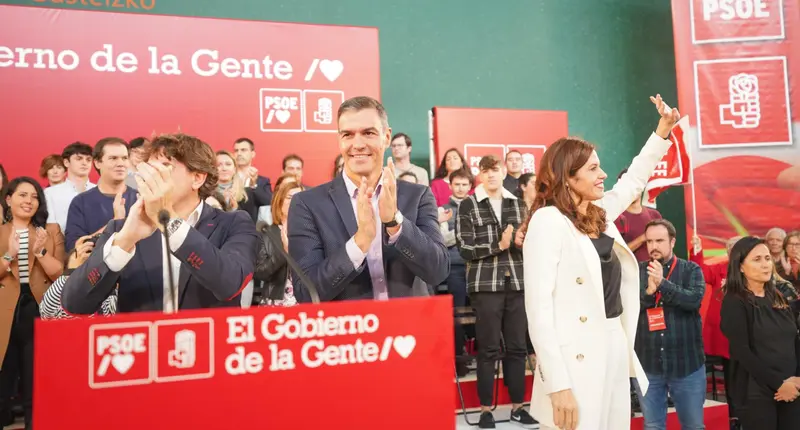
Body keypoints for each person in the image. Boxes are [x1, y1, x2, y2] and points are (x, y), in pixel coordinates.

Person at [523, 94, 679, 430]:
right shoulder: (547, 221)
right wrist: (557, 383)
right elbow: (538, 311)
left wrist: (662, 131)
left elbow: (634, 179)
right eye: (593, 168)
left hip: (614, 342)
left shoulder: (600, 215)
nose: (603, 174)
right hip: (573, 355)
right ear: (568, 177)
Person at [61, 133, 260, 314]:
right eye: (148, 169)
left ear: (197, 178)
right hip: (143, 348)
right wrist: (125, 241)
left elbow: (230, 284)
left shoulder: (233, 223)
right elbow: (75, 303)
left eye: (164, 167)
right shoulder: (122, 230)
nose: (151, 176)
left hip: (207, 346)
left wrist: (169, 221)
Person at [288, 96, 449, 301]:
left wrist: (395, 223)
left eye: (368, 133)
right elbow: (306, 293)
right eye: (347, 134)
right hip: (350, 330)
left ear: (386, 136)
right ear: (339, 140)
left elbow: (438, 271)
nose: (358, 144)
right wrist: (360, 241)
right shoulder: (307, 204)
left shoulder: (418, 196)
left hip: (410, 329)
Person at [456, 155, 535, 428]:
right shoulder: (468, 204)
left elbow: (527, 241)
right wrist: (498, 244)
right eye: (486, 171)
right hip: (484, 286)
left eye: (495, 170)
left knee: (516, 348)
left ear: (504, 173)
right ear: (479, 174)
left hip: (517, 283)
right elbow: (464, 248)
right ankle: (485, 411)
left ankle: (517, 407)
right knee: (487, 350)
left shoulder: (517, 203)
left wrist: (523, 242)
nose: (491, 175)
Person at [0, 177, 65, 429]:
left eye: (34, 196)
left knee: (36, 378)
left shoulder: (50, 231)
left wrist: (40, 252)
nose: (29, 201)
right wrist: (9, 255)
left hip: (38, 309)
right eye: (23, 195)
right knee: (4, 379)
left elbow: (59, 273)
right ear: (8, 199)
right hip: (5, 313)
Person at [720, 236, 800, 430]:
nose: (765, 265)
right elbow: (742, 351)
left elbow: (794, 339)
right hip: (757, 392)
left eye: (767, 258)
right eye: (757, 259)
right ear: (740, 266)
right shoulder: (734, 301)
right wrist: (779, 384)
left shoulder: (778, 295)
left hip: (792, 388)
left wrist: (797, 379)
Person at [635, 219, 706, 430]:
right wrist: (649, 292)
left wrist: (663, 284)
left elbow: (693, 301)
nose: (653, 246)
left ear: (672, 241)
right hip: (648, 365)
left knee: (693, 426)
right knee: (653, 426)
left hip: (687, 364)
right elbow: (626, 308)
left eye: (659, 240)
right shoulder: (636, 271)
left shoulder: (690, 269)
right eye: (649, 241)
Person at [64, 137, 138, 251]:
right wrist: (115, 223)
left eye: (124, 158)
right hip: (98, 269)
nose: (120, 163)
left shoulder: (141, 199)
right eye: (113, 158)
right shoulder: (81, 202)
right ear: (98, 163)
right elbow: (75, 250)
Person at [40, 234, 118, 319]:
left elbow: (111, 314)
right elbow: (46, 311)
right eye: (80, 267)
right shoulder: (56, 298)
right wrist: (73, 270)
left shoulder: (108, 296)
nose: (83, 271)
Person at [254, 182, 304, 306]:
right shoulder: (267, 233)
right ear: (279, 202)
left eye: (301, 197)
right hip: (277, 301)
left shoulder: (311, 232)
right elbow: (260, 273)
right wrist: (284, 252)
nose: (296, 201)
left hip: (306, 300)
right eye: (290, 197)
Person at [44, 142, 94, 234]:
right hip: (64, 245)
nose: (84, 163)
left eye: (88, 160)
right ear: (66, 162)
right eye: (79, 159)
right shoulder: (50, 193)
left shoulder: (99, 190)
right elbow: (51, 230)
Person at [613, 169, 663, 262]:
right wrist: (642, 238)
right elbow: (616, 254)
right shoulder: (616, 217)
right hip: (630, 274)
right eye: (627, 186)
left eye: (635, 184)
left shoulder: (655, 215)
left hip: (655, 272)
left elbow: (664, 248)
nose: (632, 189)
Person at [216, 150, 267, 222]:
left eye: (228, 164)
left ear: (234, 169)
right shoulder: (206, 193)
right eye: (218, 165)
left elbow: (249, 223)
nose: (224, 168)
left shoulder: (247, 194)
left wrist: (234, 209)